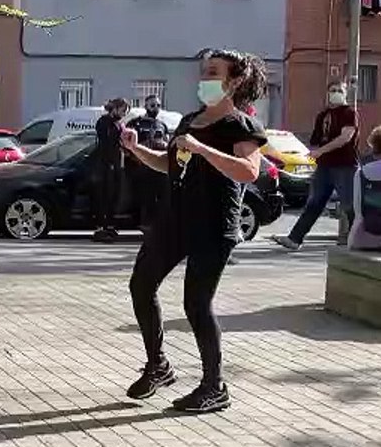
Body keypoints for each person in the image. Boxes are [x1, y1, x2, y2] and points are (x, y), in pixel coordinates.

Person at [120, 49, 268, 414]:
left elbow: (249, 172)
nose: (205, 79)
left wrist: (203, 149)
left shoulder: (241, 125)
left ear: (234, 81)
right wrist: (137, 151)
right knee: (141, 285)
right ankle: (158, 366)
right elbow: (167, 163)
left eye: (214, 72)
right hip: (175, 219)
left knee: (196, 303)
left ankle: (214, 386)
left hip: (214, 225)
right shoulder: (188, 121)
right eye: (204, 72)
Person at [273, 82, 359, 251]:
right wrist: (313, 153)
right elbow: (315, 141)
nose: (336, 93)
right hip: (324, 167)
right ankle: (294, 239)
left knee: (349, 205)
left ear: (345, 93)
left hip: (345, 165)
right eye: (333, 90)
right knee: (314, 203)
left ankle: (359, 239)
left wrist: (321, 151)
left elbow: (346, 137)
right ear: (327, 93)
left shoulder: (349, 113)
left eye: (339, 91)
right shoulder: (323, 115)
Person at [348, 124, 381, 252]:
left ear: (373, 146)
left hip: (367, 239)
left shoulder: (361, 172)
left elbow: (358, 211)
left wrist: (352, 240)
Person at [129, 95, 171, 231]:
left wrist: (163, 144)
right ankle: (145, 223)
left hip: (159, 165)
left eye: (158, 105)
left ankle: (159, 224)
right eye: (153, 105)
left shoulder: (161, 125)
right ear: (146, 106)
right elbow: (126, 145)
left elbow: (168, 144)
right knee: (146, 197)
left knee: (161, 195)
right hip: (142, 166)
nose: (156, 108)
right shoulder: (136, 123)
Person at [92, 98, 128, 242]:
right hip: (105, 165)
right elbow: (106, 142)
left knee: (114, 196)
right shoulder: (104, 122)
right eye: (123, 110)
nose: (124, 114)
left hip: (116, 165)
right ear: (115, 108)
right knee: (104, 196)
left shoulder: (119, 124)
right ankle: (101, 227)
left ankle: (110, 226)